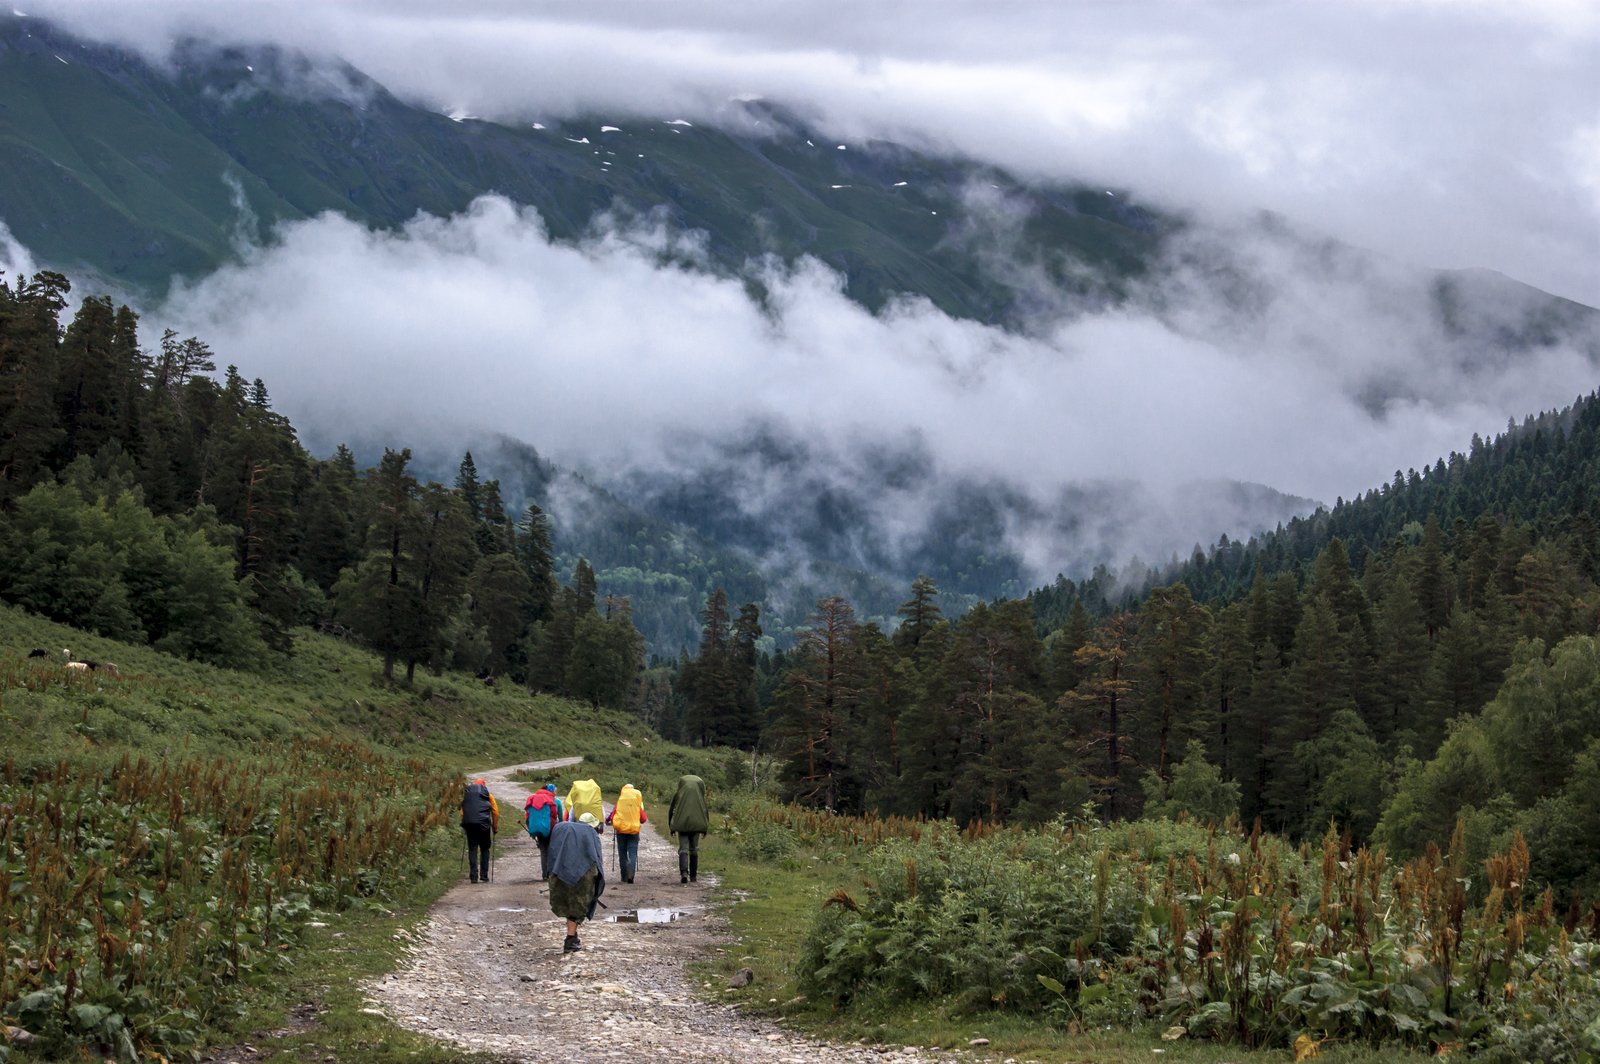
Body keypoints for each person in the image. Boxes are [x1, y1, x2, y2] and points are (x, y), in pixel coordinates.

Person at [546, 812, 605, 954]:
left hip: (561, 872)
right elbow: (596, 859)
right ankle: (570, 939)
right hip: (583, 874)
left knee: (570, 903)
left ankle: (573, 936)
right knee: (578, 906)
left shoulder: (564, 830)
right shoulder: (591, 834)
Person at [667, 774, 709, 885]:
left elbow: (671, 810)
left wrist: (671, 828)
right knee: (694, 849)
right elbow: (705, 811)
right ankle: (694, 876)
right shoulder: (699, 796)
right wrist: (705, 828)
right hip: (696, 825)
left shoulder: (678, 795)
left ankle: (684, 872)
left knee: (683, 849)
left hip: (682, 825)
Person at [606, 783, 648, 883]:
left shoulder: (620, 802)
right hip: (634, 831)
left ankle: (624, 877)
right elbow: (643, 819)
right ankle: (631, 874)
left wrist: (607, 820)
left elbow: (612, 817)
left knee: (622, 853)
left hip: (620, 831)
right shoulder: (636, 803)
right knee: (633, 853)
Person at [461, 778, 499, 885]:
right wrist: (495, 828)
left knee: (472, 849)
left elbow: (463, 812)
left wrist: (465, 825)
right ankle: (484, 875)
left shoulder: (468, 796)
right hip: (484, 826)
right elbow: (495, 812)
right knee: (484, 849)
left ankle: (473, 876)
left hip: (470, 826)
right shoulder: (488, 795)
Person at [525, 783, 563, 878]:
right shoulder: (550, 799)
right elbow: (554, 814)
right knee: (551, 850)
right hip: (550, 828)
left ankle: (544, 874)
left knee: (543, 851)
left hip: (538, 828)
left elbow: (528, 815)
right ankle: (551, 873)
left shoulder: (533, 798)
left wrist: (531, 829)